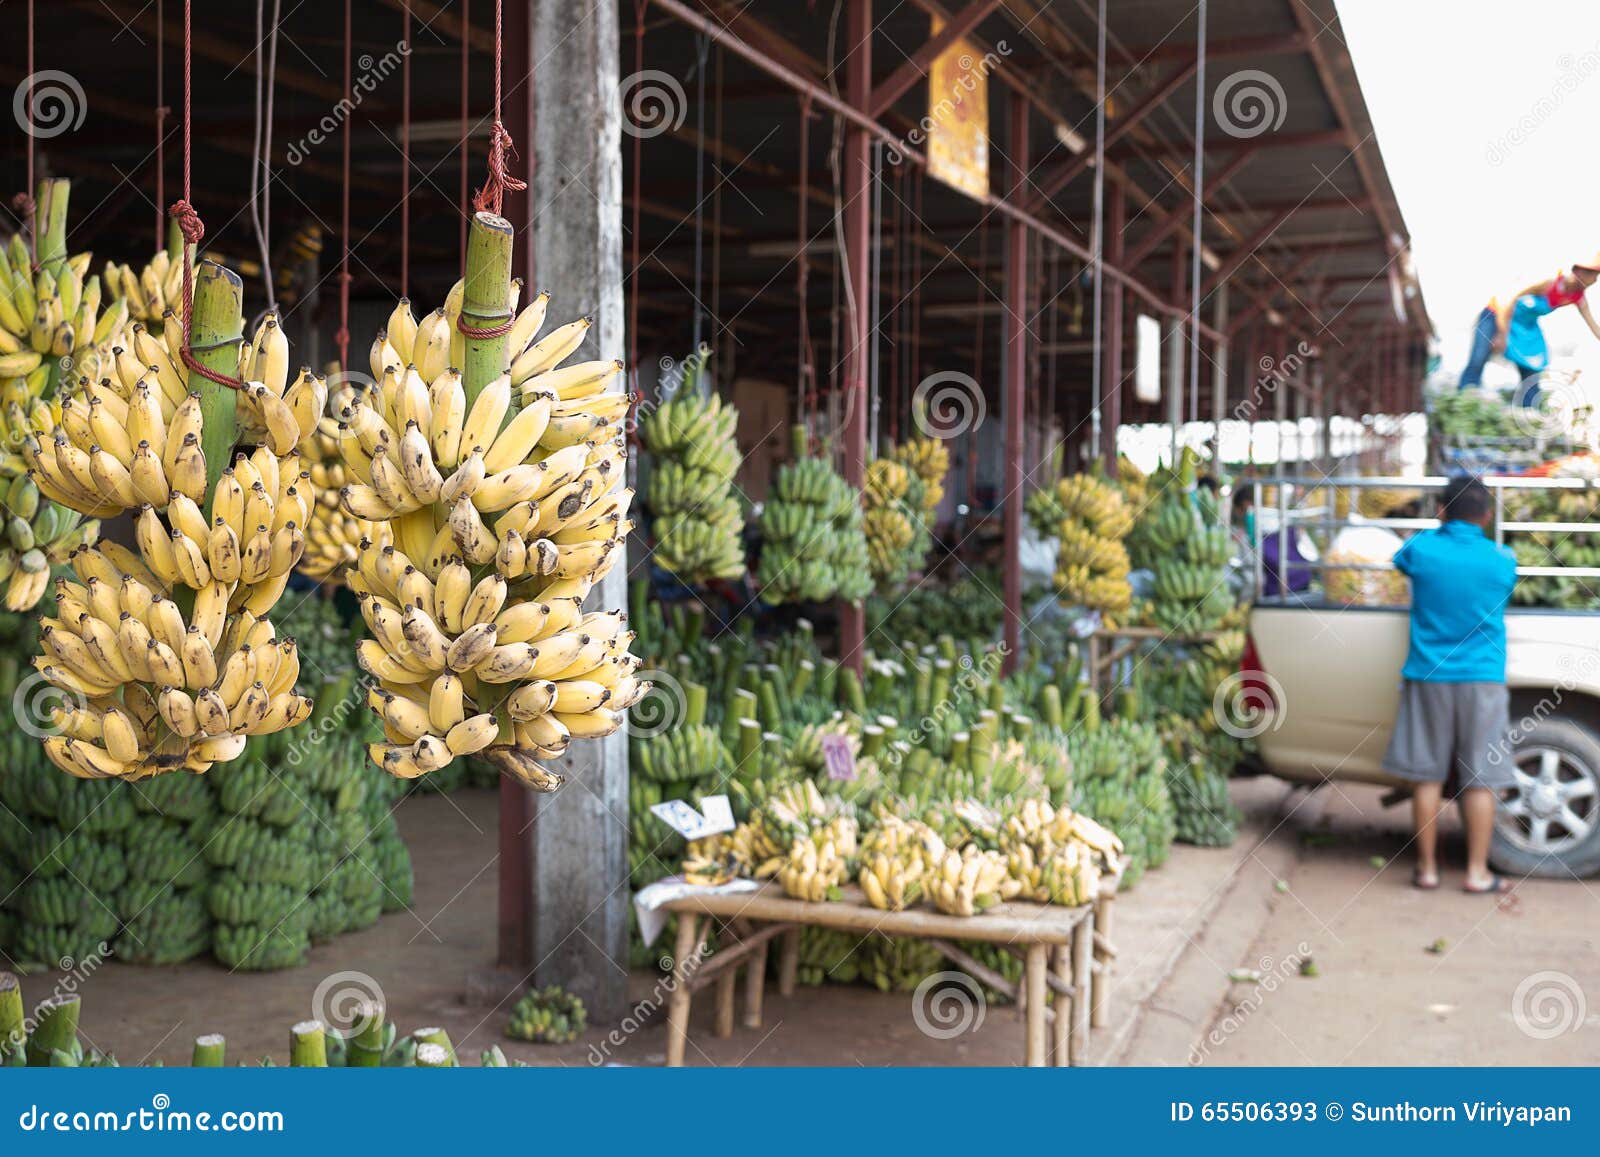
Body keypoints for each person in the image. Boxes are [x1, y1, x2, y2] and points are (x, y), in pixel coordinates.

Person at [1382, 475, 1518, 893]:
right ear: (1487, 515)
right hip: (1483, 680)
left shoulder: (1422, 550)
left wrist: (1436, 528)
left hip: (1429, 676)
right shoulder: (1503, 560)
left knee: (1427, 777)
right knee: (1481, 778)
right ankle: (1477, 873)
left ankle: (1427, 870)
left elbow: (1399, 557)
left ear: (1440, 511)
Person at [1458, 256, 1600, 401]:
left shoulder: (1576, 297)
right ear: (1580, 272)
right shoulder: (1549, 282)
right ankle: (1464, 398)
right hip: (1496, 315)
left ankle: (1530, 410)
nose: (1595, 281)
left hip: (1523, 326)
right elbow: (1507, 299)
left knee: (1533, 366)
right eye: (1594, 276)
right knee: (1478, 358)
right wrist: (1502, 335)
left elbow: (1593, 325)